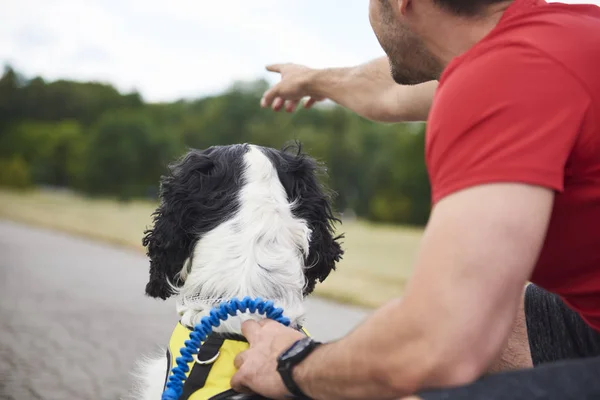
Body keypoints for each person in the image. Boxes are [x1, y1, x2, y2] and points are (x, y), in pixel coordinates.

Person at [230, 0, 600, 398]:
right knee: (501, 322)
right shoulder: (567, 33)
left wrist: (289, 365)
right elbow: (389, 90)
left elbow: (434, 345)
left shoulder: (500, 77)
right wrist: (313, 79)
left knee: (407, 386)